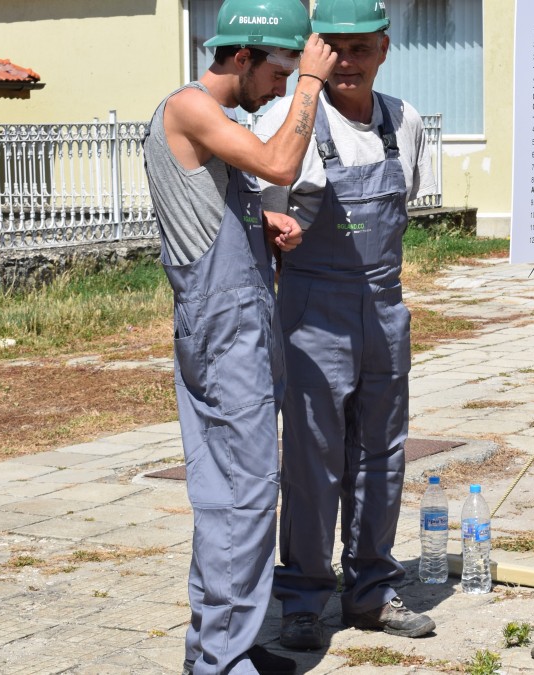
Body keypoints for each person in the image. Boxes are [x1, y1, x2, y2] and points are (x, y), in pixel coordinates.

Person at [142, 0, 335, 673]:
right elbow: (283, 165)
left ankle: (231, 645)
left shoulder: (217, 123)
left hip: (241, 325)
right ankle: (221, 660)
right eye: (279, 70)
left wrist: (262, 228)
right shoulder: (189, 107)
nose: (282, 86)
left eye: (291, 75)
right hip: (226, 332)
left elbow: (209, 215)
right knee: (241, 494)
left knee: (242, 490)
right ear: (244, 56)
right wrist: (313, 79)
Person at [252, 0, 438, 651]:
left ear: (385, 47)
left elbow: (406, 198)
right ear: (314, 50)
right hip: (313, 314)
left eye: (361, 47)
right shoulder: (290, 118)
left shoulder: (404, 121)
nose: (348, 61)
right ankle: (303, 594)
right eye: (334, 47)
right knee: (311, 460)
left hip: (384, 309)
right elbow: (261, 216)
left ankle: (371, 590)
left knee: (383, 456)